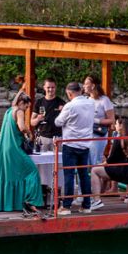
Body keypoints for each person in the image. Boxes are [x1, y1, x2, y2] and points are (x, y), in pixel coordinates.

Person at [0, 92, 43, 215]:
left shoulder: (8, 111)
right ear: (21, 103)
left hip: (5, 148)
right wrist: (29, 132)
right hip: (14, 147)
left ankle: (7, 203)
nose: (26, 109)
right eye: (27, 107)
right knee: (32, 171)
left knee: (9, 174)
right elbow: (21, 127)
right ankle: (30, 201)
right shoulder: (19, 111)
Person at [54, 81, 97, 214]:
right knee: (84, 175)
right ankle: (87, 205)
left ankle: (66, 206)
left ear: (69, 93)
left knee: (69, 175)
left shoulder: (70, 106)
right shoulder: (91, 103)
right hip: (85, 144)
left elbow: (58, 122)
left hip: (71, 144)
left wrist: (62, 112)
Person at [93, 115, 128, 198]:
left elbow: (111, 159)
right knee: (104, 172)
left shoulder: (119, 139)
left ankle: (96, 199)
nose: (115, 126)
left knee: (95, 170)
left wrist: (102, 164)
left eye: (116, 124)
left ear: (121, 126)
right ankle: (98, 197)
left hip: (125, 172)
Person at [83, 73, 116, 173]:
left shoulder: (104, 100)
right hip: (86, 134)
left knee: (95, 161)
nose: (84, 86)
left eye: (86, 83)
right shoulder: (86, 99)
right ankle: (86, 186)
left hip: (98, 135)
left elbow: (112, 120)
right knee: (85, 162)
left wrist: (96, 120)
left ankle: (96, 185)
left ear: (93, 85)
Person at [32, 78, 63, 153]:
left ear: (55, 88)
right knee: (42, 163)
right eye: (48, 87)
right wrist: (38, 119)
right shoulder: (39, 102)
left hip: (57, 139)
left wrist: (63, 111)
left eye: (53, 87)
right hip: (43, 138)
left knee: (57, 163)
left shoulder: (61, 102)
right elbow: (32, 122)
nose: (50, 89)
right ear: (44, 88)